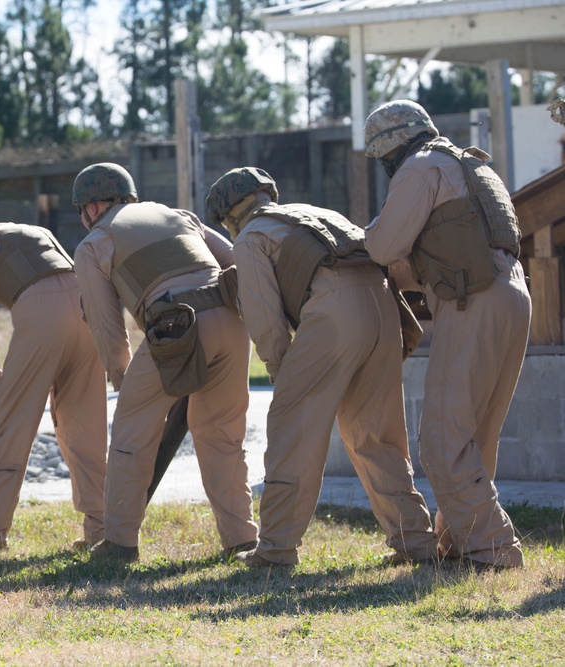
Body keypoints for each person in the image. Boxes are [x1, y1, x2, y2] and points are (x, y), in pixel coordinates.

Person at [205, 167, 438, 568]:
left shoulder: (251, 237)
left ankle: (275, 549)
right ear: (267, 195)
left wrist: (282, 370)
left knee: (292, 428)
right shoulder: (317, 213)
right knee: (376, 435)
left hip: (333, 312)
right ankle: (416, 541)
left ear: (228, 217)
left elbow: (263, 316)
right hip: (383, 310)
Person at [362, 99, 530, 571]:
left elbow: (384, 245)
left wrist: (364, 236)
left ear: (390, 147)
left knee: (441, 439)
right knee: (476, 436)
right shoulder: (471, 163)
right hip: (512, 294)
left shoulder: (419, 168)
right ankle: (458, 541)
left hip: (470, 301)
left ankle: (493, 550)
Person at [71, 162, 258, 562]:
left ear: (90, 208)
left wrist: (122, 376)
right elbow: (237, 261)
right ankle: (241, 538)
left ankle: (119, 543)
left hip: (176, 325)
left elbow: (106, 325)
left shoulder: (95, 243)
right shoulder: (178, 215)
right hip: (230, 318)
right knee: (222, 434)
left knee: (131, 434)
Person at [0, 223, 108, 551]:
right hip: (88, 306)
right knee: (85, 429)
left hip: (44, 314)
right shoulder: (19, 233)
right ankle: (102, 531)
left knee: (8, 425)